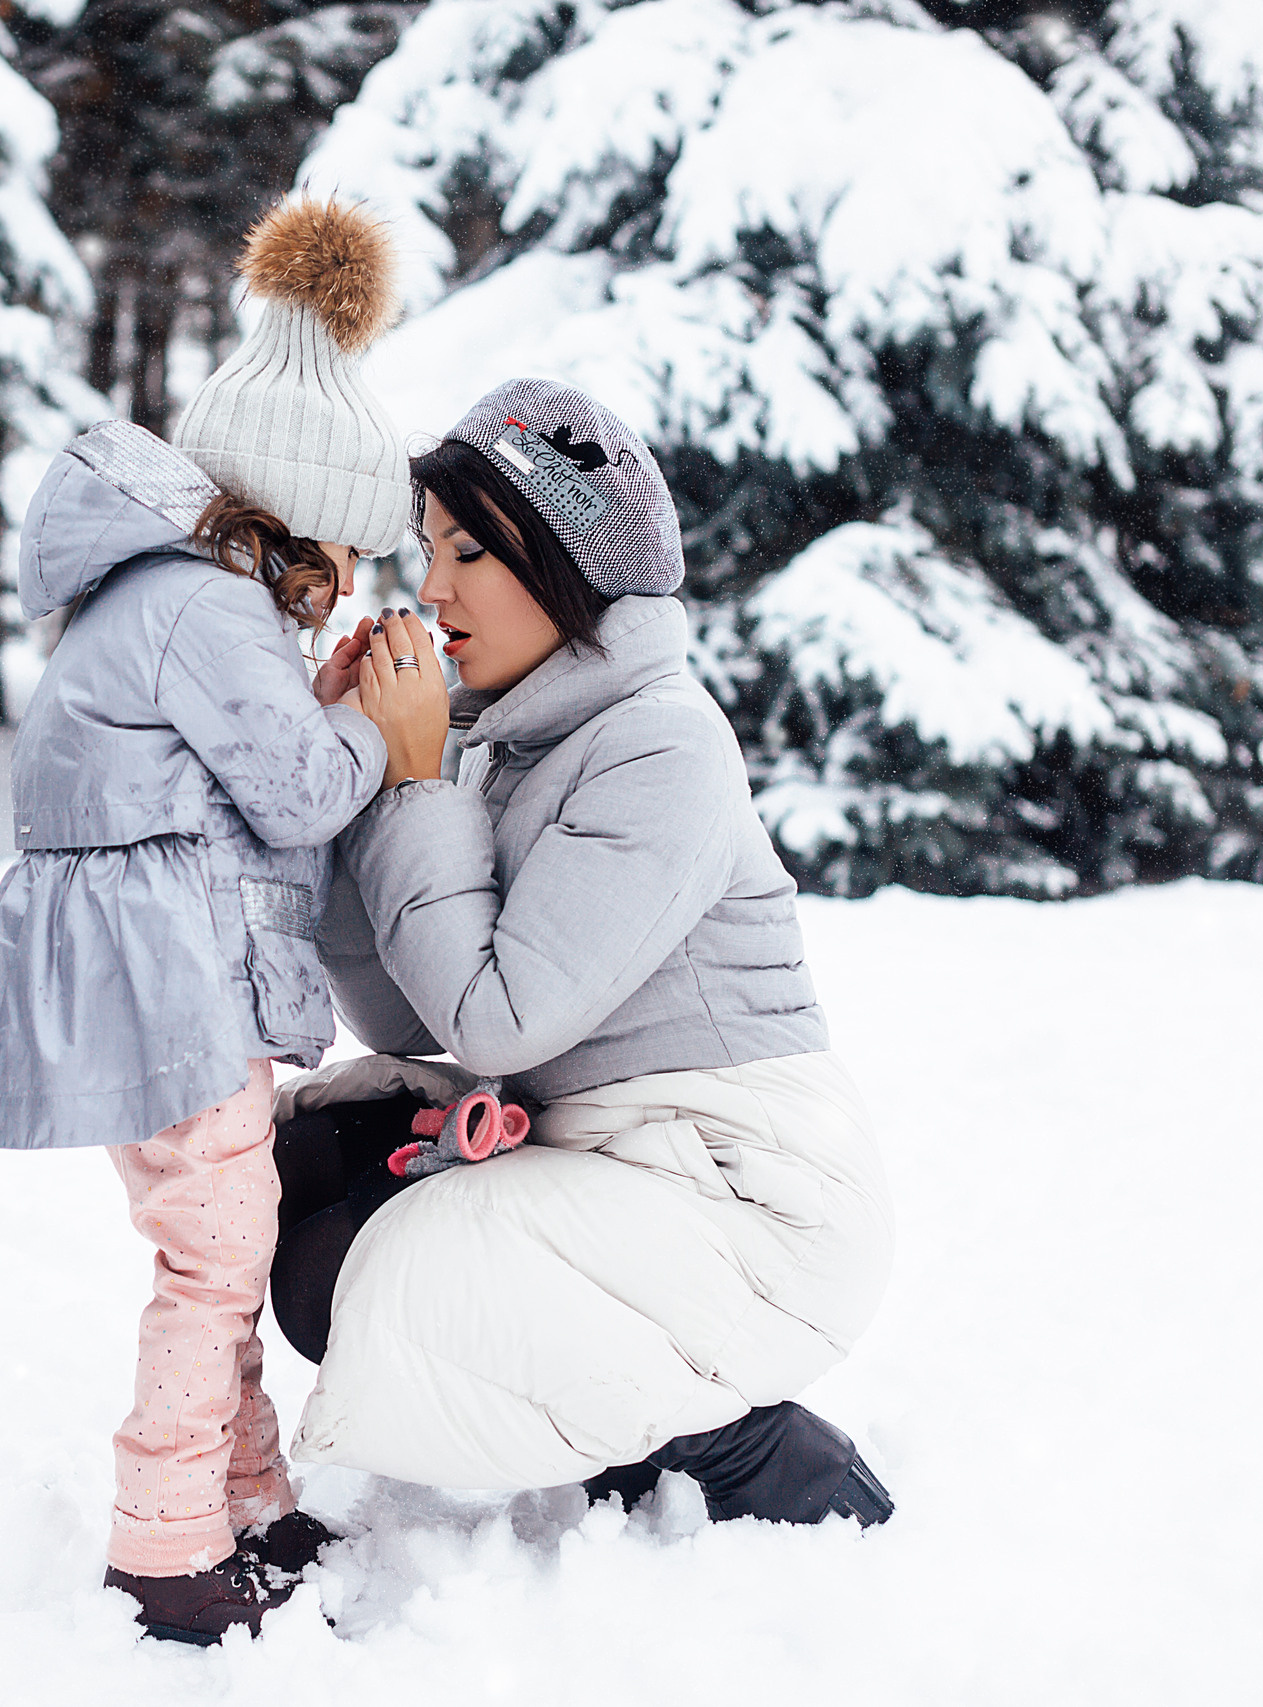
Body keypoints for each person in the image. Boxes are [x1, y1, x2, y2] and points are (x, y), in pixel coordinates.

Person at [270, 378, 899, 1528]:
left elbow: (496, 1025)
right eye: (427, 550)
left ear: (571, 567)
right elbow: (409, 1019)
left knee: (357, 1276)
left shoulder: (663, 743)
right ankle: (633, 1403)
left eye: (470, 553)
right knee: (309, 1164)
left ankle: (741, 1441)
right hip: (613, 1166)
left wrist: (416, 784)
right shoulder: (508, 738)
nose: (435, 589)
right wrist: (361, 784)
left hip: (748, 1195)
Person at [0, 198, 414, 1645]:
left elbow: (228, 773)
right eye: (334, 567)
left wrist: (314, 703)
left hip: (149, 970)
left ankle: (246, 1494)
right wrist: (390, 728)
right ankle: (168, 1540)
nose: (336, 603)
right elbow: (301, 791)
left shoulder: (159, 596)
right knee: (216, 1252)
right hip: (176, 978)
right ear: (287, 522)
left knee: (222, 1239)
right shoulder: (209, 610)